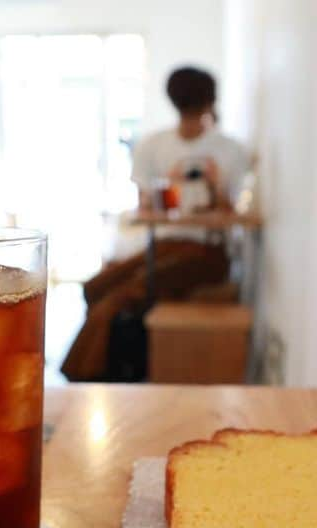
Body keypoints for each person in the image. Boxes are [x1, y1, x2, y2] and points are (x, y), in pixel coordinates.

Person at [62, 67, 248, 382]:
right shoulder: (155, 146)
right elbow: (146, 203)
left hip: (207, 250)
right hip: (163, 243)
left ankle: (88, 374)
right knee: (95, 286)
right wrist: (170, 188)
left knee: (119, 297)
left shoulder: (228, 150)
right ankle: (111, 358)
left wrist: (213, 188)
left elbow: (230, 209)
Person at [131, 67, 251, 211]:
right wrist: (168, 186)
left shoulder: (150, 145)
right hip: (170, 233)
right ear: (210, 102)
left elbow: (234, 208)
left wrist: (214, 187)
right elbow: (144, 207)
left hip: (212, 233)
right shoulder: (232, 149)